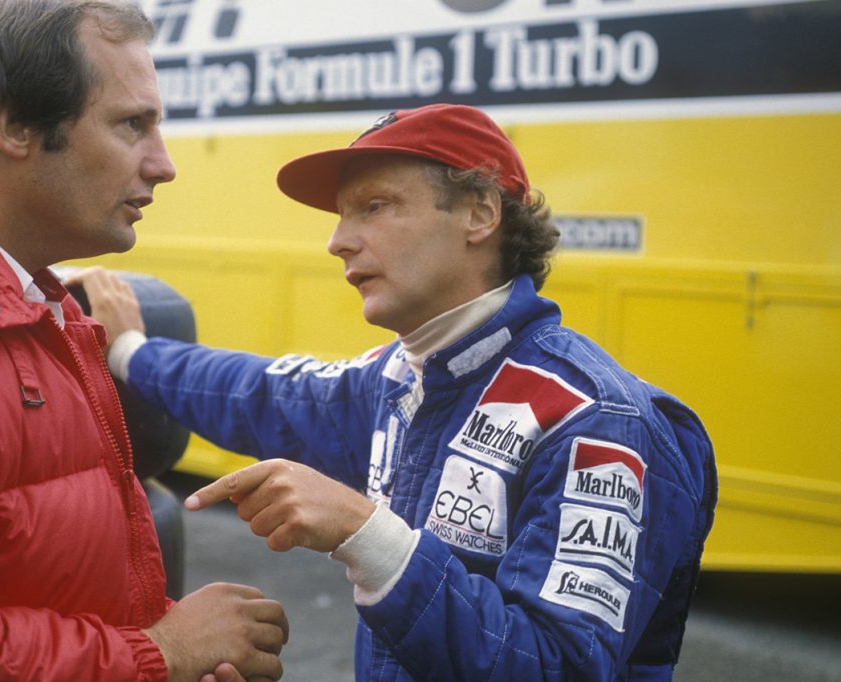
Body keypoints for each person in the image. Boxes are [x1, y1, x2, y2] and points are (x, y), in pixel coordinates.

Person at [83, 103, 718, 680]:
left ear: (480, 212)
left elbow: (559, 667)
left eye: (375, 207)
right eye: (341, 216)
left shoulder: (593, 417)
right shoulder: (401, 375)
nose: (338, 242)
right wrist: (132, 350)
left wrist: (365, 533)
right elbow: (259, 393)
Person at [0, 1, 288, 681]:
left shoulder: (38, 304)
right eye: (133, 125)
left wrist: (177, 649)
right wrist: (167, 651)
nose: (164, 165)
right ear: (14, 125)